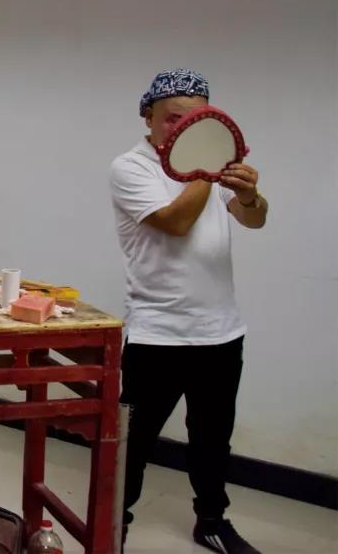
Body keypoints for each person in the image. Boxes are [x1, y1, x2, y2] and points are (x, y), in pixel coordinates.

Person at [110, 69, 267, 554]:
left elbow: (255, 219)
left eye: (195, 120)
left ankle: (212, 521)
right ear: (148, 116)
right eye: (173, 119)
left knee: (213, 438)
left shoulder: (211, 165)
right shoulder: (131, 167)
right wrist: (205, 167)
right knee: (134, 442)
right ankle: (113, 525)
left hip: (221, 330)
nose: (182, 129)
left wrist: (248, 194)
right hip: (158, 333)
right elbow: (175, 222)